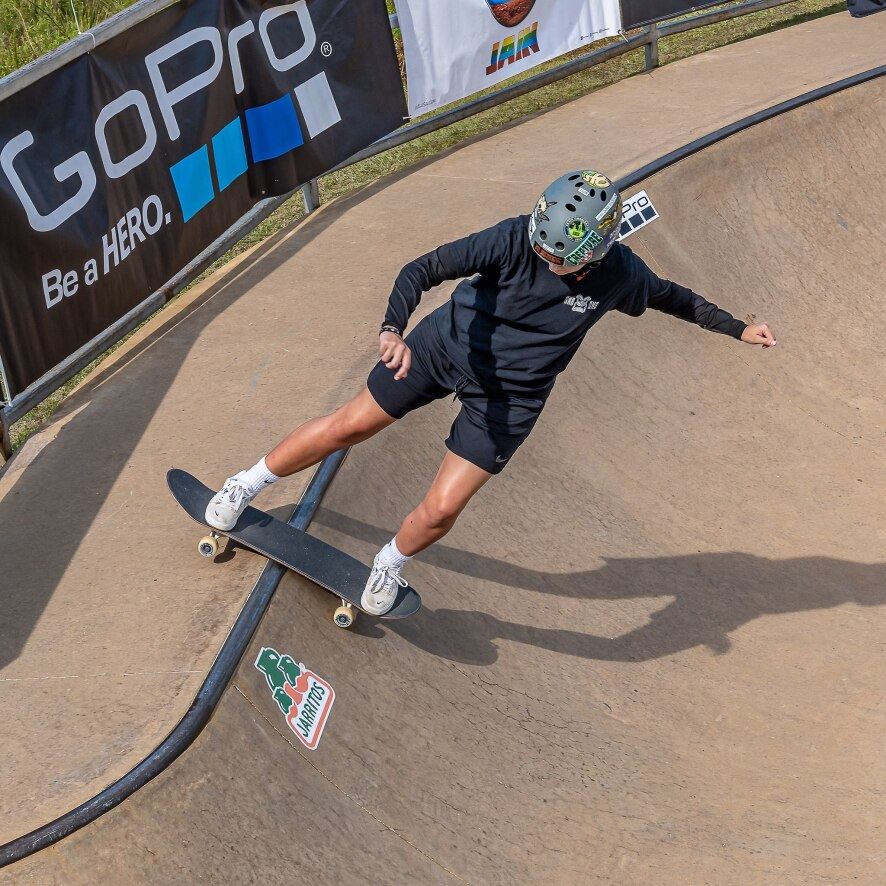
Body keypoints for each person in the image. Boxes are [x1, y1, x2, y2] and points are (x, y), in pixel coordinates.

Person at [204, 169, 776, 615]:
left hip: (509, 400)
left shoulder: (619, 273)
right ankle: (244, 484)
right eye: (542, 247)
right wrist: (392, 329)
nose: (546, 260)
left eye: (559, 257)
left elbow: (673, 297)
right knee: (348, 425)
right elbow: (422, 268)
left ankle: (388, 563)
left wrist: (737, 328)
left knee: (443, 508)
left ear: (594, 251)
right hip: (440, 349)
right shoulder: (511, 239)